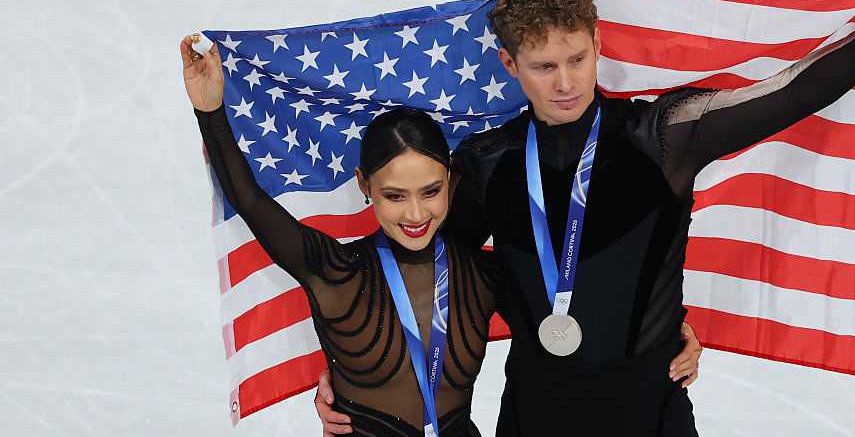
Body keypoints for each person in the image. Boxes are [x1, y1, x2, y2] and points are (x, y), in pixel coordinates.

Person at [315, 0, 855, 436]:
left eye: (577, 58)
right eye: (542, 66)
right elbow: (413, 262)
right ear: (509, 63)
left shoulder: (663, 137)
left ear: (598, 43)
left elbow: (783, 98)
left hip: (651, 408)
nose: (564, 83)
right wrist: (354, 374)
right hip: (539, 414)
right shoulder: (486, 164)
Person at [179, 35, 704, 436]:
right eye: (394, 195)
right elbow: (249, 200)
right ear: (365, 188)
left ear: (452, 185)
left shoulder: (480, 274)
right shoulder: (334, 269)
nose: (414, 213)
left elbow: (580, 297)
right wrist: (210, 112)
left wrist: (665, 333)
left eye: (430, 192)